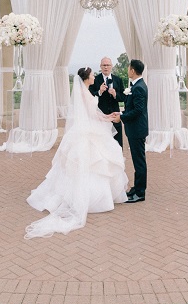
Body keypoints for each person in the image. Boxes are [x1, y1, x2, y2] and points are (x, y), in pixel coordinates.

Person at [25, 67, 128, 238]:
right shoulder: (85, 93)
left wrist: (107, 116)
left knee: (94, 161)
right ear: (87, 78)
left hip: (87, 129)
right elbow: (92, 115)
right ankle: (92, 199)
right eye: (93, 75)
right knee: (93, 161)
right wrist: (106, 117)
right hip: (87, 132)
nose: (95, 76)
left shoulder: (85, 91)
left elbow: (94, 113)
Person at [113, 59, 148, 203]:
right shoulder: (136, 85)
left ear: (133, 71)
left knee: (139, 162)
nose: (128, 70)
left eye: (128, 68)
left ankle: (140, 193)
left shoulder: (139, 87)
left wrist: (121, 117)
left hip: (137, 129)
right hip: (134, 129)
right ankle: (136, 188)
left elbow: (138, 110)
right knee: (136, 160)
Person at [88, 56, 124, 146]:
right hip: (100, 118)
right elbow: (90, 96)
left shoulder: (118, 80)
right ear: (100, 66)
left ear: (111, 66)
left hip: (115, 117)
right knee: (102, 145)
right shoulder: (95, 80)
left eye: (108, 65)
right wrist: (99, 92)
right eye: (104, 65)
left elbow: (123, 97)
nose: (106, 67)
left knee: (117, 144)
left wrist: (115, 94)